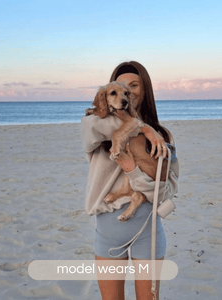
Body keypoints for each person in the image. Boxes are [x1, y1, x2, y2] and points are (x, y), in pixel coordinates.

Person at [81, 61, 179, 300]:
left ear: (144, 90)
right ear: (107, 95)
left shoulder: (163, 135)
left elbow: (166, 190)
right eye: (119, 87)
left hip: (149, 229)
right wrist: (144, 129)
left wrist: (132, 170)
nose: (126, 93)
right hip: (108, 229)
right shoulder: (95, 126)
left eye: (133, 86)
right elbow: (93, 124)